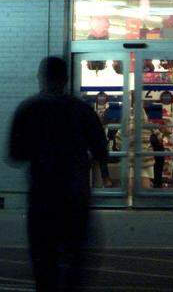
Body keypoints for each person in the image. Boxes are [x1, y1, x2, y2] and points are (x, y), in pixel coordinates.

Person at [9, 56, 109, 292]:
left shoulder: (28, 109)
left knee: (45, 267)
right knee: (75, 266)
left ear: (42, 77)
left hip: (42, 197)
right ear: (66, 79)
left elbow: (15, 153)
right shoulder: (82, 110)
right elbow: (101, 150)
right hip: (75, 197)